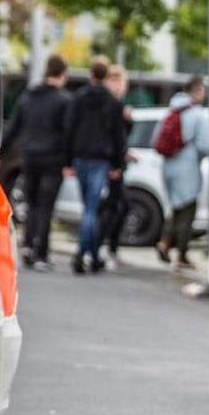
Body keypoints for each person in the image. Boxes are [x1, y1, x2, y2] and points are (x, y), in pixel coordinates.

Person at [0, 54, 71, 272]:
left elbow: (14, 127)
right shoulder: (64, 100)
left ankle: (28, 246)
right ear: (62, 74)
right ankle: (41, 252)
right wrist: (69, 161)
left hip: (29, 157)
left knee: (31, 204)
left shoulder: (28, 97)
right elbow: (69, 133)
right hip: (53, 158)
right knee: (45, 206)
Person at [67, 56, 127, 274]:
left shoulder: (78, 98)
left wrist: (68, 160)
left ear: (91, 74)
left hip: (81, 156)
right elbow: (117, 136)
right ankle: (84, 252)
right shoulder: (112, 102)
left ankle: (89, 253)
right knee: (91, 208)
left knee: (88, 207)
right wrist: (117, 164)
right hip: (100, 159)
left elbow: (69, 129)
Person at [155, 76, 209, 270]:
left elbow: (157, 138)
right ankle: (181, 252)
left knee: (175, 206)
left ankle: (164, 242)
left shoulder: (172, 109)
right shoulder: (197, 114)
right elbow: (205, 145)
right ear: (197, 91)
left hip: (168, 166)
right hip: (187, 167)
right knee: (187, 209)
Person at [97, 65, 134, 267]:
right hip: (110, 164)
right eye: (118, 82)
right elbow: (112, 137)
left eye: (123, 83)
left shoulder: (118, 106)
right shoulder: (110, 106)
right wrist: (116, 163)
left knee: (116, 205)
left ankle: (107, 246)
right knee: (114, 206)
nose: (121, 87)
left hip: (114, 162)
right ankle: (103, 246)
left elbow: (121, 138)